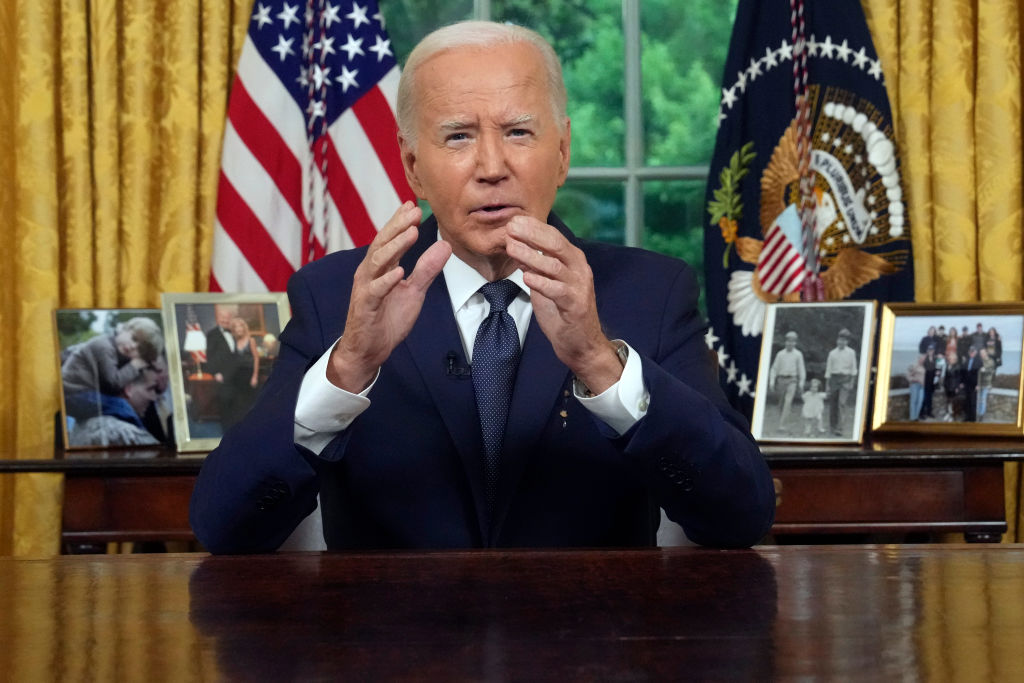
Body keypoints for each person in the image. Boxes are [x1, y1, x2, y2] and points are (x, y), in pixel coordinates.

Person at [190, 21, 775, 554]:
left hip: (590, 650)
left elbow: (739, 517)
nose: (492, 166)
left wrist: (600, 362)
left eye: (519, 132)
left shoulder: (652, 292)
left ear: (563, 151)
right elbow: (225, 528)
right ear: (412, 165)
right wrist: (346, 369)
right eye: (458, 137)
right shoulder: (335, 296)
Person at [61, 316, 164, 420]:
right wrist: (134, 365)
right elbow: (113, 383)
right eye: (134, 338)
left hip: (82, 393)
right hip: (71, 392)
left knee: (119, 405)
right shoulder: (104, 346)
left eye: (140, 350)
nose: (133, 346)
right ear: (124, 329)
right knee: (121, 406)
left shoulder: (117, 351)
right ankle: (139, 434)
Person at [68, 365, 162, 447]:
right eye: (150, 389)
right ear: (128, 389)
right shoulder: (126, 434)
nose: (154, 398)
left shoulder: (80, 426)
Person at [219, 316, 261, 429]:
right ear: (234, 330)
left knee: (249, 401)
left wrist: (255, 377)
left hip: (249, 373)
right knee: (238, 401)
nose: (239, 330)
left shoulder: (251, 340)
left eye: (240, 327)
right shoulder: (235, 341)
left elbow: (256, 358)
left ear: (244, 328)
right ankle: (239, 425)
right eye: (236, 328)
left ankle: (250, 426)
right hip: (237, 375)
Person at [768, 331, 806, 434]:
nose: (790, 343)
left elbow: (801, 369)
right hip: (781, 380)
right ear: (785, 342)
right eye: (788, 341)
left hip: (792, 380)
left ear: (795, 343)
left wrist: (801, 382)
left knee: (788, 402)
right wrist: (772, 381)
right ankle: (782, 420)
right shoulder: (780, 354)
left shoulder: (798, 354)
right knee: (781, 403)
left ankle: (782, 425)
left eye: (792, 342)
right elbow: (774, 369)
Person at [824, 328, 858, 436]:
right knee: (833, 404)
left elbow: (853, 369)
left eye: (844, 340)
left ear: (847, 341)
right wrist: (827, 385)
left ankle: (840, 428)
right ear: (837, 340)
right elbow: (828, 370)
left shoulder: (851, 353)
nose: (841, 342)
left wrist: (852, 382)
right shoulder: (832, 353)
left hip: (845, 379)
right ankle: (832, 426)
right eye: (840, 339)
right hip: (834, 379)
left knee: (841, 403)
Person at [961, 346, 981, 422]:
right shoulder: (966, 360)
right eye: (970, 351)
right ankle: (967, 418)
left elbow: (980, 375)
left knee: (973, 402)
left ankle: (973, 419)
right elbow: (963, 372)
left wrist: (978, 384)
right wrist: (962, 382)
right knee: (967, 401)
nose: (971, 353)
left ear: (975, 352)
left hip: (974, 385)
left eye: (973, 351)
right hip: (967, 384)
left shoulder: (979, 361)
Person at [941, 349, 961, 421]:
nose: (950, 359)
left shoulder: (957, 367)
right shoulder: (947, 365)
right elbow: (945, 377)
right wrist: (944, 385)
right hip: (947, 386)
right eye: (949, 358)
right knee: (948, 401)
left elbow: (959, 378)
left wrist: (957, 387)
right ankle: (948, 413)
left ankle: (952, 416)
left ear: (955, 359)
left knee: (953, 402)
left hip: (953, 387)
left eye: (952, 358)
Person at [905, 353, 926, 421]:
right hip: (915, 385)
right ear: (918, 359)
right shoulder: (914, 366)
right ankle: (912, 418)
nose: (922, 360)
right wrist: (915, 380)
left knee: (920, 401)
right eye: (921, 359)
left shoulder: (924, 367)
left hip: (922, 386)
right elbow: (908, 376)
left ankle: (916, 417)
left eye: (924, 359)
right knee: (913, 401)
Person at [977, 347, 996, 421]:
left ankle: (981, 415)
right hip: (979, 383)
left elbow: (991, 370)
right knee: (978, 399)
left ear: (986, 353)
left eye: (983, 353)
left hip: (986, 383)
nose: (982, 354)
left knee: (983, 399)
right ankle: (977, 412)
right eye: (981, 353)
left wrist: (984, 369)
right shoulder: (979, 360)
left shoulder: (990, 361)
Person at [921, 345, 938, 419]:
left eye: (932, 350)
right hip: (925, 381)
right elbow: (921, 368)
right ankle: (921, 413)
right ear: (927, 350)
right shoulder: (924, 358)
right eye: (929, 350)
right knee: (924, 398)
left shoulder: (935, 358)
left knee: (930, 398)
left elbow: (937, 368)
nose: (931, 351)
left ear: (933, 351)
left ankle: (929, 412)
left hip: (932, 382)